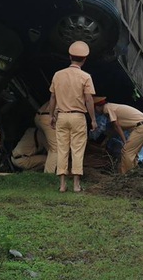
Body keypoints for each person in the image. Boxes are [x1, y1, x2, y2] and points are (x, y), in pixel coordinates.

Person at [48, 41, 97, 193]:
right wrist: (93, 119)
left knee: (62, 149)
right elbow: (89, 99)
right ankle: (76, 185)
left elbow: (52, 98)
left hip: (62, 116)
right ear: (85, 59)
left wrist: (51, 115)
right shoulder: (86, 77)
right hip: (78, 117)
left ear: (70, 57)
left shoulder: (58, 75)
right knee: (77, 150)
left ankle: (62, 185)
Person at [93, 96, 143, 174]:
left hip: (141, 127)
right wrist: (105, 141)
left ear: (97, 107)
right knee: (133, 153)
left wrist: (124, 141)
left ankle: (126, 176)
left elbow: (116, 126)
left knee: (126, 151)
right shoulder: (111, 106)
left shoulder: (107, 109)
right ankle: (134, 173)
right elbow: (113, 130)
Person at [34, 101, 58, 174]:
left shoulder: (59, 89)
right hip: (48, 118)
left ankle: (54, 167)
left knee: (50, 147)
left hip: (39, 116)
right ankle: (49, 174)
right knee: (56, 148)